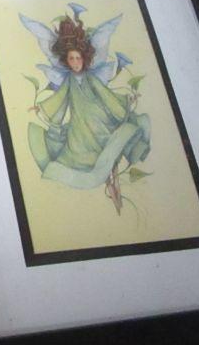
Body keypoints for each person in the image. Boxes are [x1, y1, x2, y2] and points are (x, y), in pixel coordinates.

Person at [23, 14, 151, 213]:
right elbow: (60, 99)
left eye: (78, 58)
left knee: (110, 156)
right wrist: (42, 108)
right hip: (80, 129)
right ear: (66, 61)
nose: (75, 62)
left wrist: (127, 101)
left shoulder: (92, 78)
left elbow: (107, 96)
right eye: (71, 59)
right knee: (80, 156)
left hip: (100, 122)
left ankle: (116, 195)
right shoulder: (68, 81)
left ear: (85, 58)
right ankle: (111, 196)